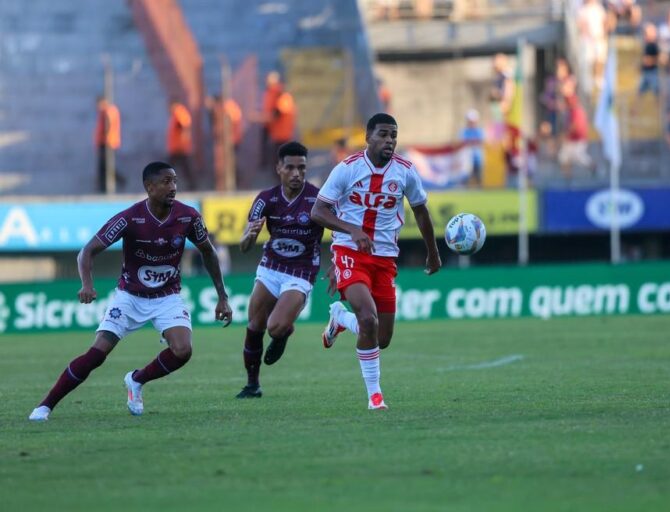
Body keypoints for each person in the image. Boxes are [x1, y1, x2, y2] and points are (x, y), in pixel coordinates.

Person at [28, 161, 233, 421]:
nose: (173, 187)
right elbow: (87, 252)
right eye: (166, 182)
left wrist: (222, 297)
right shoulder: (130, 218)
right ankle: (45, 406)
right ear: (149, 187)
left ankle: (136, 380)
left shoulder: (188, 216)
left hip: (167, 297)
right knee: (96, 355)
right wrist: (87, 284)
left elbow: (208, 252)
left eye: (175, 181)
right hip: (130, 298)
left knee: (183, 351)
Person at [310, 113, 442, 410]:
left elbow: (421, 211)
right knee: (368, 319)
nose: (389, 141)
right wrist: (352, 230)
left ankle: (341, 319)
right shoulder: (347, 169)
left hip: (384, 258)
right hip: (349, 252)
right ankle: (375, 396)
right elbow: (318, 211)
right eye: (383, 135)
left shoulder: (405, 171)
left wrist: (433, 252)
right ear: (368, 137)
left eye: (393, 135)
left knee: (381, 338)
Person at [235, 141, 324, 399]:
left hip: (302, 271)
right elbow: (243, 246)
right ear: (279, 168)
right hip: (271, 267)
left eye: (302, 168)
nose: (297, 173)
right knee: (254, 325)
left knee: (275, 327)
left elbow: (338, 229)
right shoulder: (266, 199)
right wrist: (249, 236)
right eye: (290, 167)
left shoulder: (317, 198)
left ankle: (284, 332)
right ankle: (252, 385)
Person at [94, 95, 122, 193]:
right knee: (105, 166)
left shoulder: (108, 111)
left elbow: (108, 125)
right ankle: (104, 187)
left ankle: (119, 181)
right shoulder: (109, 110)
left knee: (105, 166)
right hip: (107, 142)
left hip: (107, 142)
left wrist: (105, 135)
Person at [167, 101, 196, 190]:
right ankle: (192, 185)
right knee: (184, 168)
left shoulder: (179, 112)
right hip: (177, 148)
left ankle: (192, 185)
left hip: (179, 148)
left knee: (169, 168)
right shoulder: (177, 113)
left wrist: (183, 141)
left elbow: (184, 126)